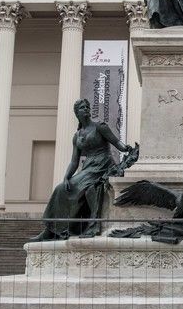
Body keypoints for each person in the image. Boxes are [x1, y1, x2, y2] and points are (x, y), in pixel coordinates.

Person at [31, 99, 133, 241]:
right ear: (77, 113)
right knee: (61, 188)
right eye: (82, 107)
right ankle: (52, 229)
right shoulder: (77, 136)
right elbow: (74, 161)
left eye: (87, 107)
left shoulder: (100, 127)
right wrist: (66, 177)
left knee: (78, 187)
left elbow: (116, 142)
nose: (86, 109)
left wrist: (126, 148)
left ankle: (55, 230)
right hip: (89, 168)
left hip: (103, 165)